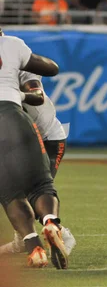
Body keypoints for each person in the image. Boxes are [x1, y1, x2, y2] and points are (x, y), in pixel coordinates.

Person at [0, 28, 69, 268]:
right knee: (31, 188)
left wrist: (15, 95)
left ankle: (49, 238)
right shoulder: (12, 48)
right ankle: (43, 230)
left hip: (47, 136)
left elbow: (37, 95)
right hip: (18, 126)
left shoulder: (20, 62)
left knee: (25, 189)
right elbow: (52, 67)